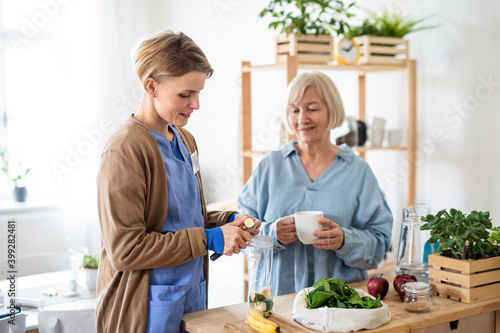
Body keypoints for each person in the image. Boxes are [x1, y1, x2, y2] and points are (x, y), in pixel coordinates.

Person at [96, 30, 259, 333]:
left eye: (198, 93)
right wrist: (210, 239)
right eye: (185, 94)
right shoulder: (125, 149)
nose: (195, 104)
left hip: (190, 297)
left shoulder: (186, 140)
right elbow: (126, 250)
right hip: (145, 307)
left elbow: (182, 219)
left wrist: (229, 221)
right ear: (151, 86)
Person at [237, 71, 393, 296]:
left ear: (332, 110)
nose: (302, 119)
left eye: (312, 109)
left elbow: (380, 243)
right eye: (294, 110)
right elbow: (241, 228)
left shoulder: (358, 171)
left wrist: (344, 240)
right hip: (278, 301)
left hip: (341, 303)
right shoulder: (270, 167)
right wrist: (272, 234)